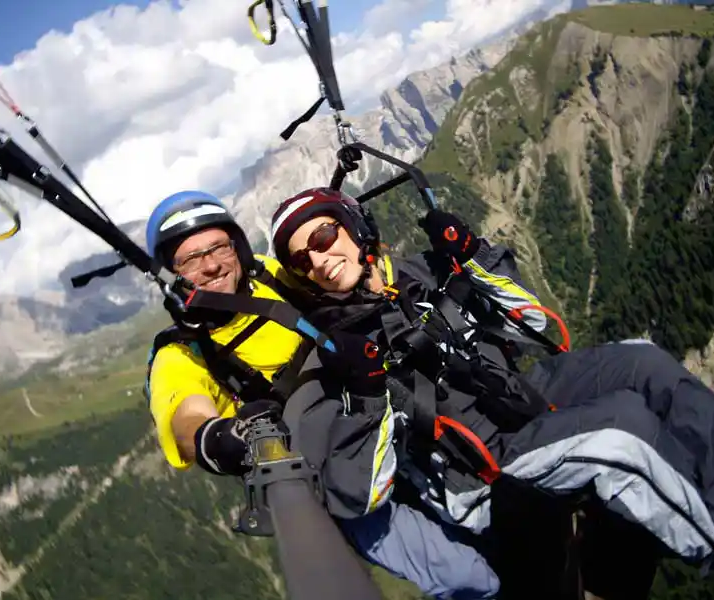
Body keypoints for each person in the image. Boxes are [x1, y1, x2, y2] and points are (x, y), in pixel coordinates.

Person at [270, 186, 714, 600]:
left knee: (643, 360)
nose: (318, 258)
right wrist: (369, 388)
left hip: (520, 396)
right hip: (483, 470)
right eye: (300, 260)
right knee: (622, 428)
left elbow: (533, 324)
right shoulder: (333, 356)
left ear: (354, 229)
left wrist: (473, 258)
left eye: (323, 234)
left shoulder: (423, 272)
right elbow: (360, 493)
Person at [141, 190, 501, 600]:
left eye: (218, 247)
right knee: (464, 577)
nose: (210, 265)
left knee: (489, 521)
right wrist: (221, 436)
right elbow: (186, 418)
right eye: (189, 259)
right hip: (333, 475)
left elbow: (343, 275)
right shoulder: (181, 353)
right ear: (172, 274)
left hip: (386, 416)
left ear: (237, 248)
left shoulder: (274, 276)